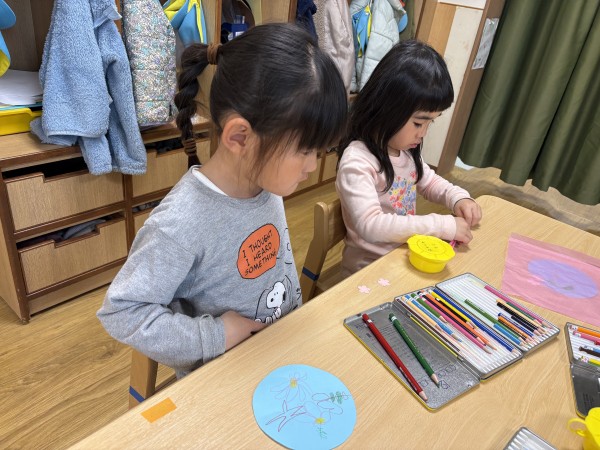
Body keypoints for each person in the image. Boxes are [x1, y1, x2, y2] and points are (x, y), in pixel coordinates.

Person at [97, 23, 348, 378]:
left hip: (280, 353)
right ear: (240, 137)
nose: (312, 165)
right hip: (226, 379)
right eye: (305, 151)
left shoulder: (265, 183)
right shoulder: (180, 224)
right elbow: (122, 311)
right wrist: (216, 334)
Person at [335, 39, 482, 277]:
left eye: (430, 123)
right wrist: (441, 225)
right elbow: (371, 225)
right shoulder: (358, 161)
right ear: (388, 108)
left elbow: (429, 182)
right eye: (418, 123)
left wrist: (457, 198)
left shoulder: (405, 150)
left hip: (405, 255)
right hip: (368, 271)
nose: (423, 133)